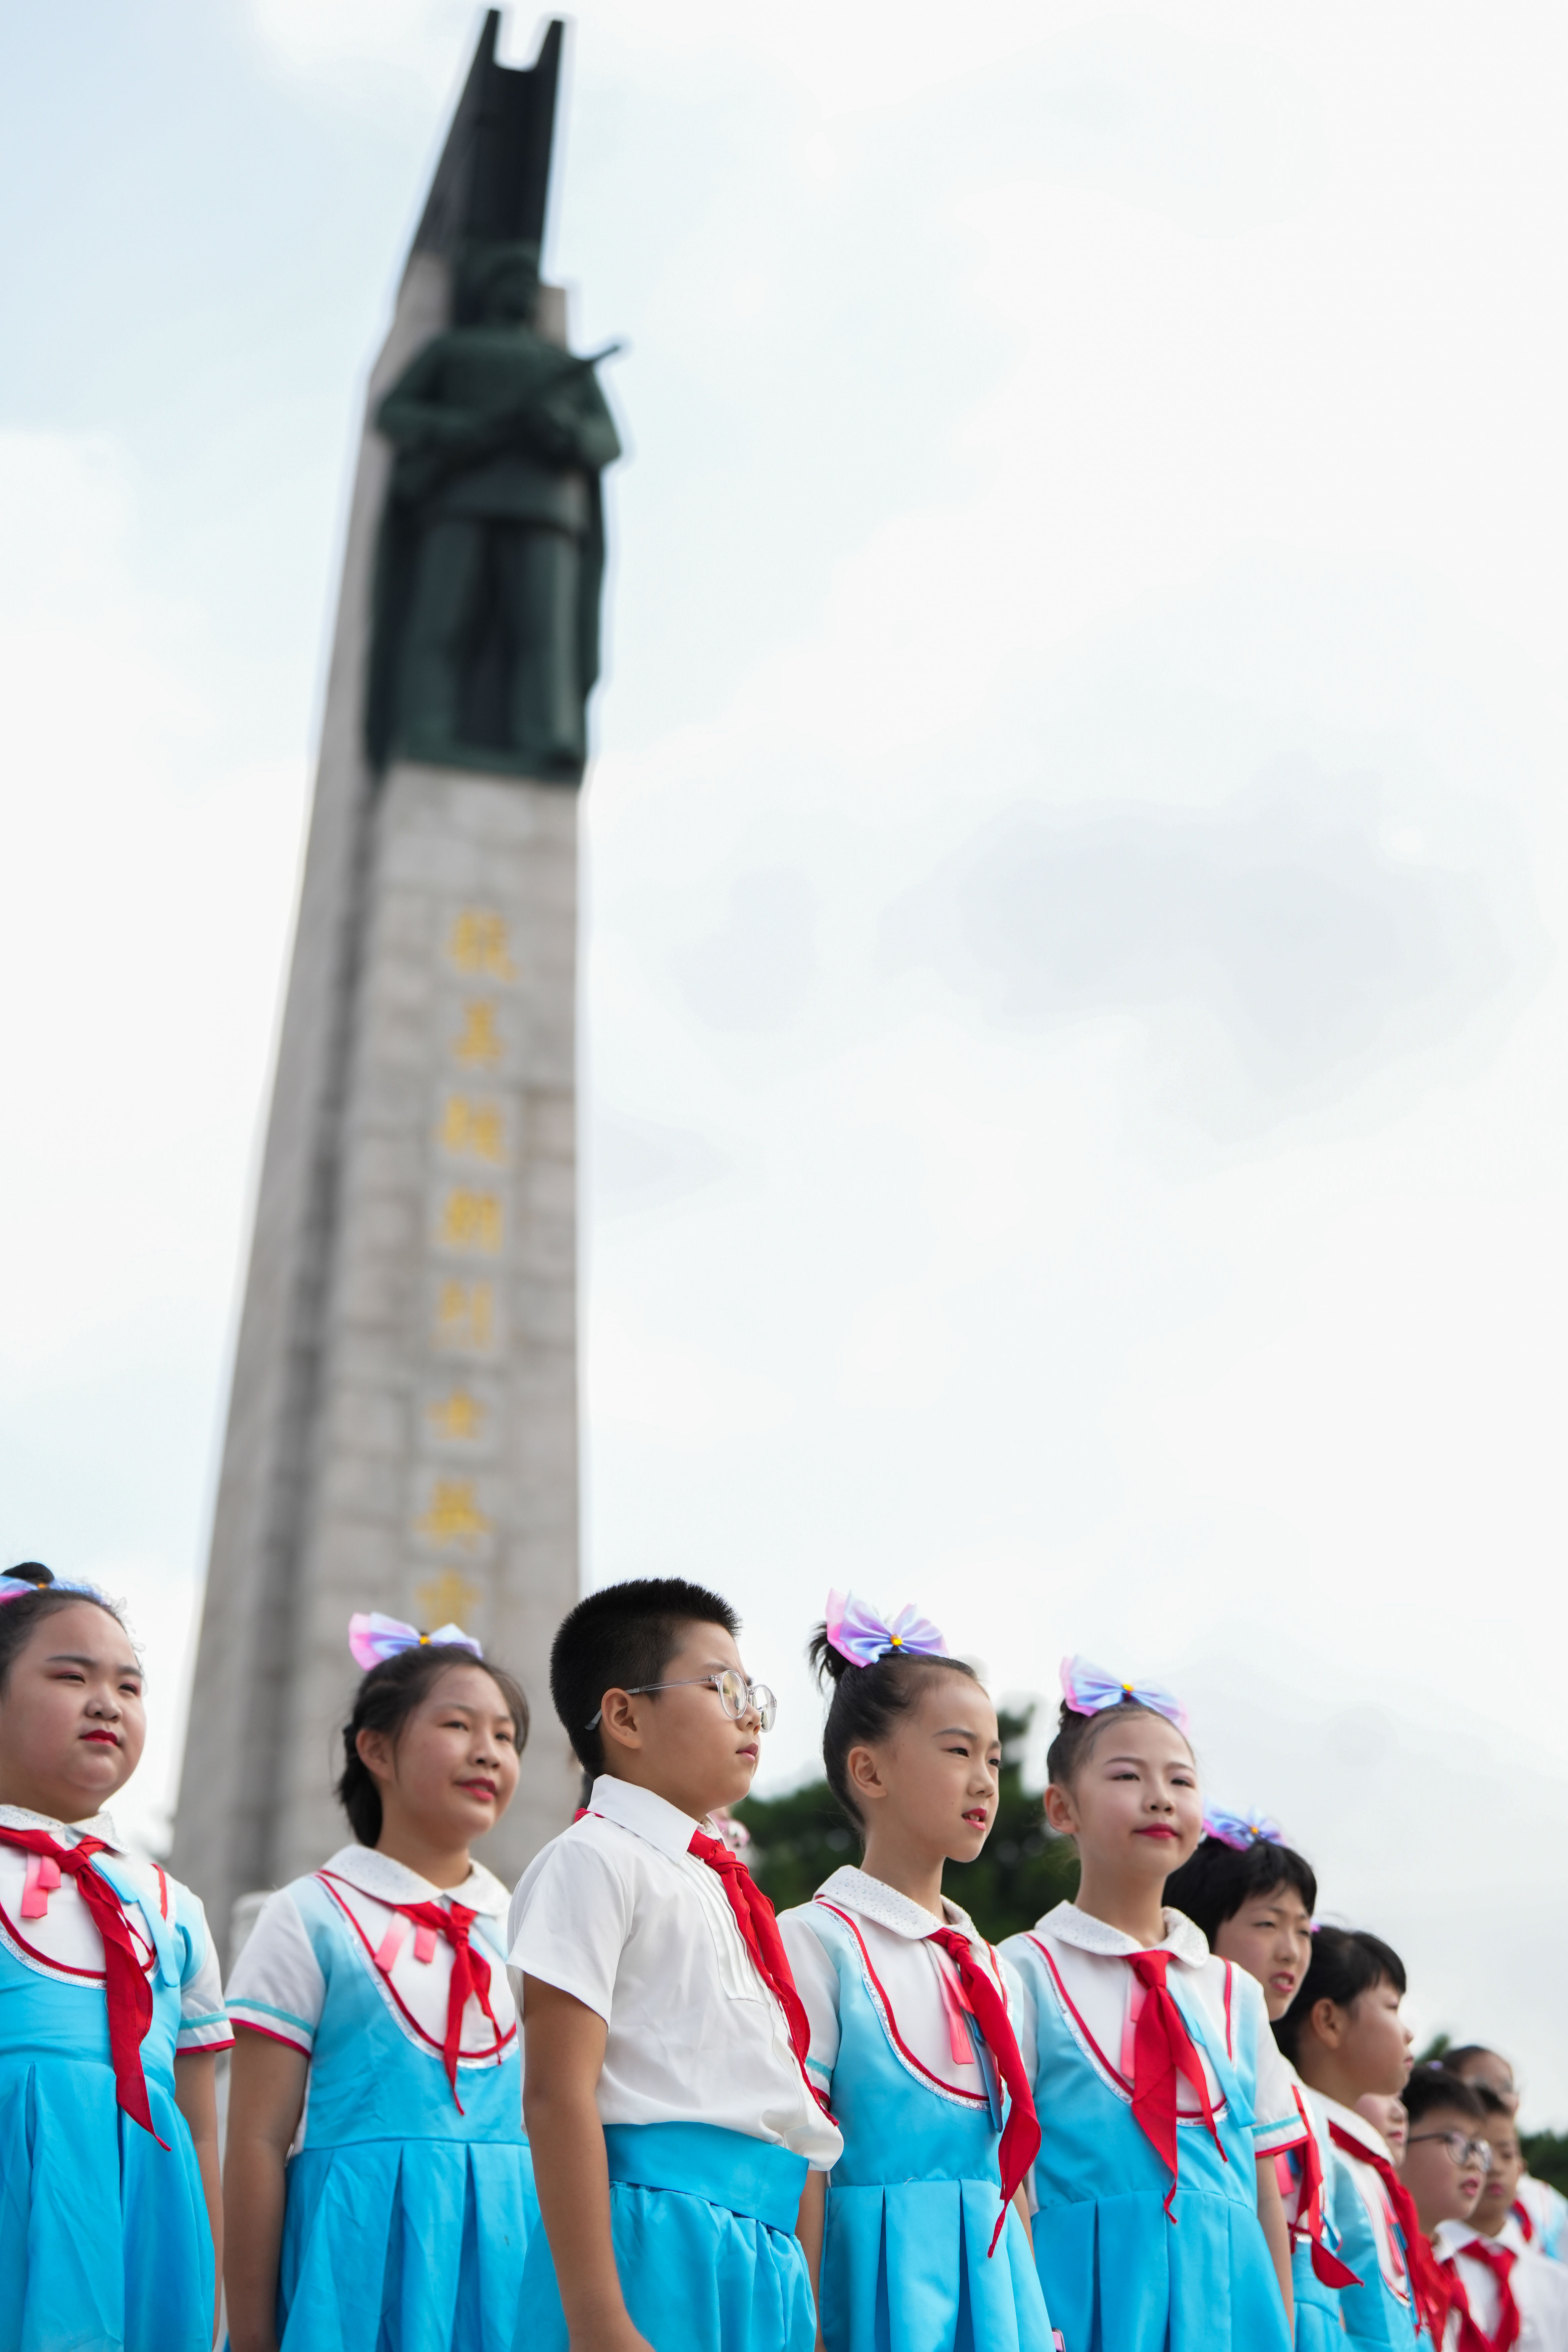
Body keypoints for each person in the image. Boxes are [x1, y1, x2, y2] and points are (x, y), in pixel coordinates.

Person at [508, 1577, 842, 2352]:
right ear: (624, 1714)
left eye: (751, 1689)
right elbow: (558, 2094)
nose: (749, 1711)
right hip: (652, 2241)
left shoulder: (726, 1885)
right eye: (721, 1687)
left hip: (761, 2255)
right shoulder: (592, 1859)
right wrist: (597, 2320)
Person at [223, 1612, 533, 2352]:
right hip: (351, 2271)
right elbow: (258, 2142)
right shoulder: (309, 1916)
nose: (487, 1753)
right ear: (375, 1750)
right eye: (458, 1726)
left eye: (505, 1736)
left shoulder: (530, 1932)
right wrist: (258, 2334)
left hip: (510, 2265)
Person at [774, 1592, 1054, 2352]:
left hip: (1000, 2303)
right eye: (959, 1752)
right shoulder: (813, 1941)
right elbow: (803, 2161)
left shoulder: (998, 1972)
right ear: (868, 1770)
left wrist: (1036, 2319)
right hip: (872, 2293)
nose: (986, 1780)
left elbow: (1011, 2174)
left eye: (994, 1758)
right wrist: (807, 2327)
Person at [1000, 1660, 1300, 2352]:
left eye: (1180, 1780)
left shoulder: (1234, 1994)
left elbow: (1263, 2192)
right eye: (1126, 1777)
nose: (1159, 1798)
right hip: (1085, 2305)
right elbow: (1007, 2171)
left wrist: (1277, 2331)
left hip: (1231, 2307)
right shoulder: (1022, 1970)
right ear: (1060, 1808)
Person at [0, 1561, 231, 2352]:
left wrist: (202, 2291)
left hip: (140, 2237)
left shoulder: (173, 1907)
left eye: (129, 1688)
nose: (107, 1702)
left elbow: (200, 2128)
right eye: (71, 1676)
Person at [1164, 1808, 1358, 2348]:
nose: (1292, 1950)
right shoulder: (1184, 2044)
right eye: (1268, 1924)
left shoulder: (1290, 2085)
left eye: (1303, 1930)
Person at [1277, 1925, 1445, 2347]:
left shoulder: (1361, 2160)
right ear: (1329, 2021)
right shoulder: (1308, 2153)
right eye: (1392, 2007)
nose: (1408, 2033)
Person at [1433, 2082, 1568, 2352]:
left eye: (1506, 2154)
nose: (1493, 2167)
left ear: (1521, 2169)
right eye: (1474, 2150)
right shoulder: (1433, 2267)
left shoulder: (1557, 2284)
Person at [1446, 2047, 1568, 2263]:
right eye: (1481, 2085)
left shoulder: (1546, 2205)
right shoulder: (1435, 2198)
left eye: (1507, 2087)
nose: (1497, 2097)